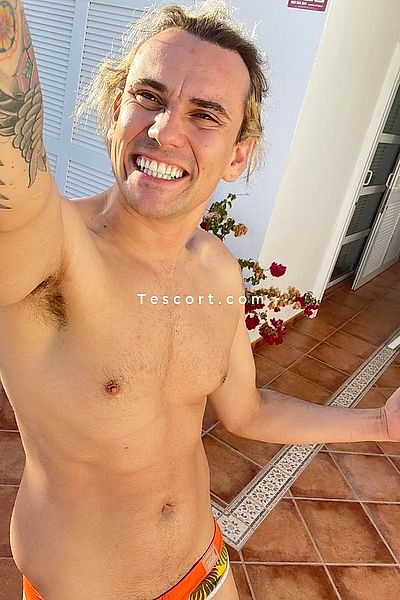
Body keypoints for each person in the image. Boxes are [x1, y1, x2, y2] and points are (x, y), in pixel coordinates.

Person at [0, 1, 399, 598]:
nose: (164, 131)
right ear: (115, 110)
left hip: (205, 566)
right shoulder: (51, 258)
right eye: (148, 97)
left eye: (205, 114)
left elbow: (247, 410)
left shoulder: (216, 268)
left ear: (238, 154)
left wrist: (381, 425)